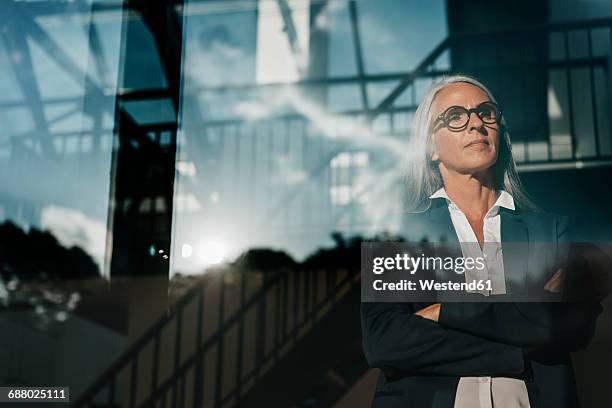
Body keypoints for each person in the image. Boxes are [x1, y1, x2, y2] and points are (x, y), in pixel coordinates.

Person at [360, 75, 602, 408]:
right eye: (455, 116)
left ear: (500, 133)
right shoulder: (396, 237)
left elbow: (570, 326)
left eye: (486, 112)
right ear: (430, 148)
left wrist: (447, 310)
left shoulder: (552, 231)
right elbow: (385, 342)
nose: (476, 124)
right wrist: (517, 344)